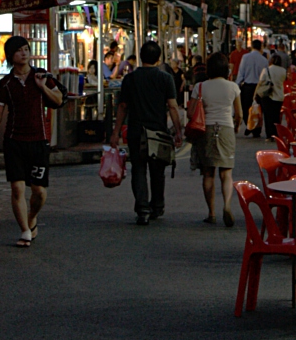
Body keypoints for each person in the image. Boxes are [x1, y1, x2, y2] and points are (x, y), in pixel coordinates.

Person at [0, 36, 64, 247]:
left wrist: (42, 87)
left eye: (26, 49)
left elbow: (58, 100)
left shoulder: (42, 76)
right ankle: (24, 231)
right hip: (14, 142)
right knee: (17, 188)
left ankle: (31, 218)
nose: (24, 53)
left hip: (39, 141)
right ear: (11, 55)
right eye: (19, 50)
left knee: (39, 191)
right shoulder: (6, 83)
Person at [110, 41, 182, 225]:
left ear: (140, 57)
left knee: (139, 169)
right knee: (158, 170)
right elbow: (172, 106)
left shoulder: (130, 79)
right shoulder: (165, 78)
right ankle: (157, 206)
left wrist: (116, 132)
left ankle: (142, 209)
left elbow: (123, 106)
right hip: (158, 132)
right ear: (159, 58)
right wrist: (178, 131)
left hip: (136, 131)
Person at [187, 52, 243, 226]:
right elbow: (239, 114)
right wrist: (236, 126)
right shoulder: (233, 87)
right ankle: (227, 205)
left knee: (208, 173)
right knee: (226, 173)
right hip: (226, 129)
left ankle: (211, 213)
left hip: (206, 130)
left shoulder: (200, 87)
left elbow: (190, 113)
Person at [236, 39, 268, 138]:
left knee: (246, 107)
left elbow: (241, 73)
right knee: (258, 109)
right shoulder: (264, 60)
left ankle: (249, 125)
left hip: (247, 87)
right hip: (259, 87)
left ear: (252, 47)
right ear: (261, 47)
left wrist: (237, 85)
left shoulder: (245, 57)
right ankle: (257, 129)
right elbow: (266, 75)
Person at [255, 53, 286, 140]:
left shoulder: (266, 70)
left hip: (268, 95)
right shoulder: (283, 70)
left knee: (268, 116)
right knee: (276, 116)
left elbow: (260, 82)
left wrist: (255, 94)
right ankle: (276, 133)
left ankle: (269, 134)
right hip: (279, 95)